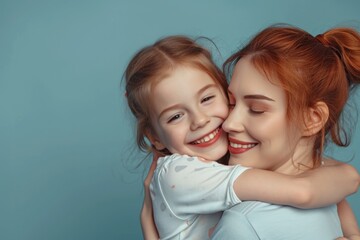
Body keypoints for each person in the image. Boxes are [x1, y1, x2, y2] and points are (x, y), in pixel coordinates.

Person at [124, 35, 360, 240]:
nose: (200, 121)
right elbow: (303, 190)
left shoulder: (230, 157)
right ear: (154, 137)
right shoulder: (179, 173)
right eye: (175, 116)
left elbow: (328, 188)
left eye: (207, 99)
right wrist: (349, 176)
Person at [210, 25, 360, 239]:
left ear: (312, 119)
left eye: (256, 109)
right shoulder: (332, 193)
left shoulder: (242, 224)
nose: (229, 124)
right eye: (231, 103)